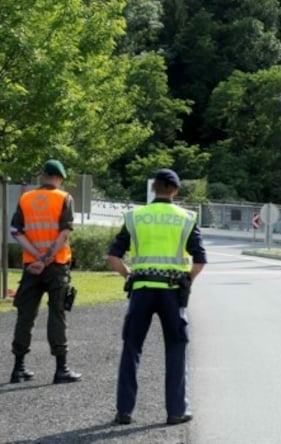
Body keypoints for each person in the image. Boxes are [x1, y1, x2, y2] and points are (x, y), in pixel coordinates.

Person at [106, 169, 207, 425]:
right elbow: (200, 260)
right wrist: (186, 280)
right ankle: (176, 411)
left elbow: (113, 257)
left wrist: (129, 275)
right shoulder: (186, 218)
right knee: (176, 347)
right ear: (176, 190)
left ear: (154, 189)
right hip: (172, 293)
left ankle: (124, 411)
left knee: (132, 347)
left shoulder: (135, 217)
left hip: (141, 290)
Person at [9, 159, 82, 384]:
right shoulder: (64, 198)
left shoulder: (25, 198)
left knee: (25, 315)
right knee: (56, 314)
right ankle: (61, 369)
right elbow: (65, 232)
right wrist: (48, 257)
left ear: (43, 175)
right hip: (56, 265)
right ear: (59, 178)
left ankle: (18, 369)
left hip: (32, 265)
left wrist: (37, 257)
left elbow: (16, 231)